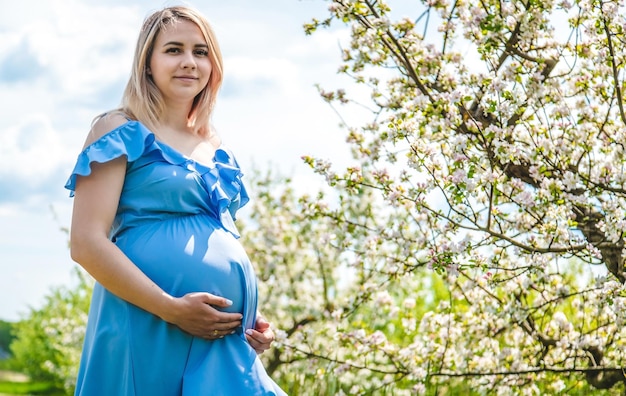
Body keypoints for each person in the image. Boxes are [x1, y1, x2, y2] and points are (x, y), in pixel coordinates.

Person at [64, 5, 286, 395]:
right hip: (148, 321)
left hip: (218, 336)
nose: (189, 62)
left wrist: (250, 318)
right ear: (147, 62)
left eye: (201, 52)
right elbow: (85, 243)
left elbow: (217, 241)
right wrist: (171, 307)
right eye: (174, 50)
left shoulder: (216, 148)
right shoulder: (119, 129)